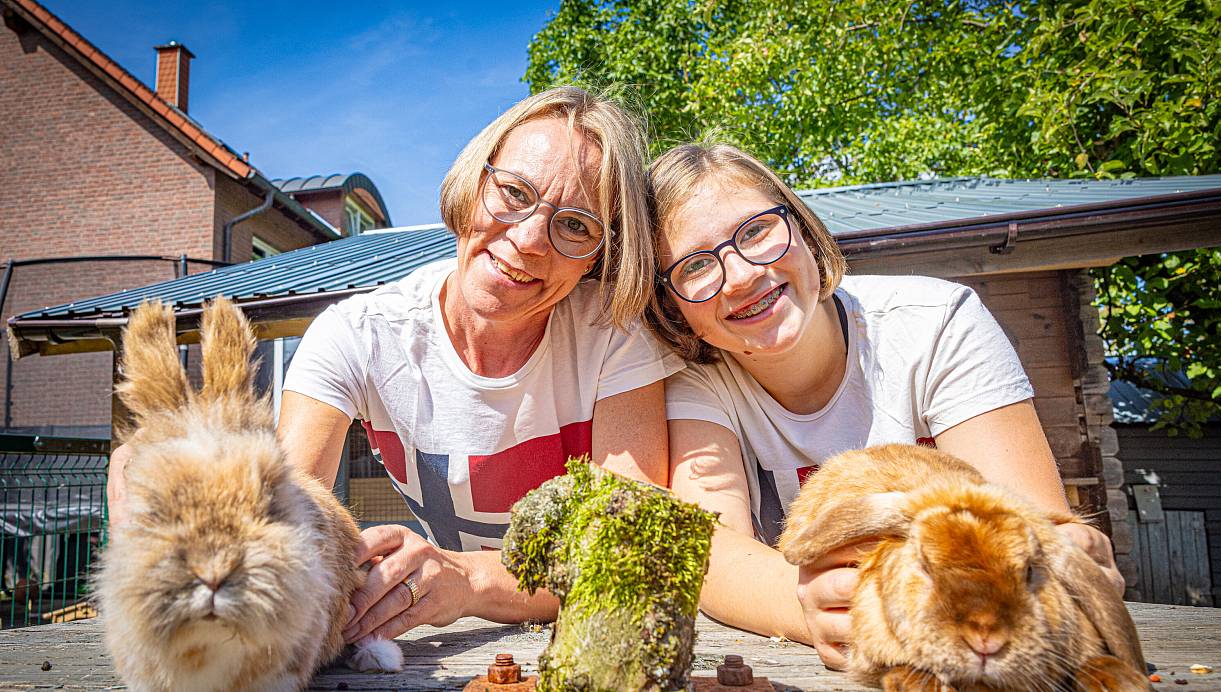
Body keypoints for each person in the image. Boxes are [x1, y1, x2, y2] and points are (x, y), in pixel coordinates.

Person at [107, 86, 683, 643]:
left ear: (602, 255)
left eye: (576, 225)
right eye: (514, 192)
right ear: (473, 183)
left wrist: (467, 579)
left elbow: (623, 550)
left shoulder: (617, 338)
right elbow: (295, 498)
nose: (530, 238)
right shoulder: (356, 334)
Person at [643, 141, 1124, 668]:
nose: (740, 275)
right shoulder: (694, 381)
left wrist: (1065, 556)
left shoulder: (937, 323)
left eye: (756, 231)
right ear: (671, 305)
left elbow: (1024, 523)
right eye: (693, 267)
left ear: (800, 226)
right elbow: (707, 549)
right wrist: (808, 607)